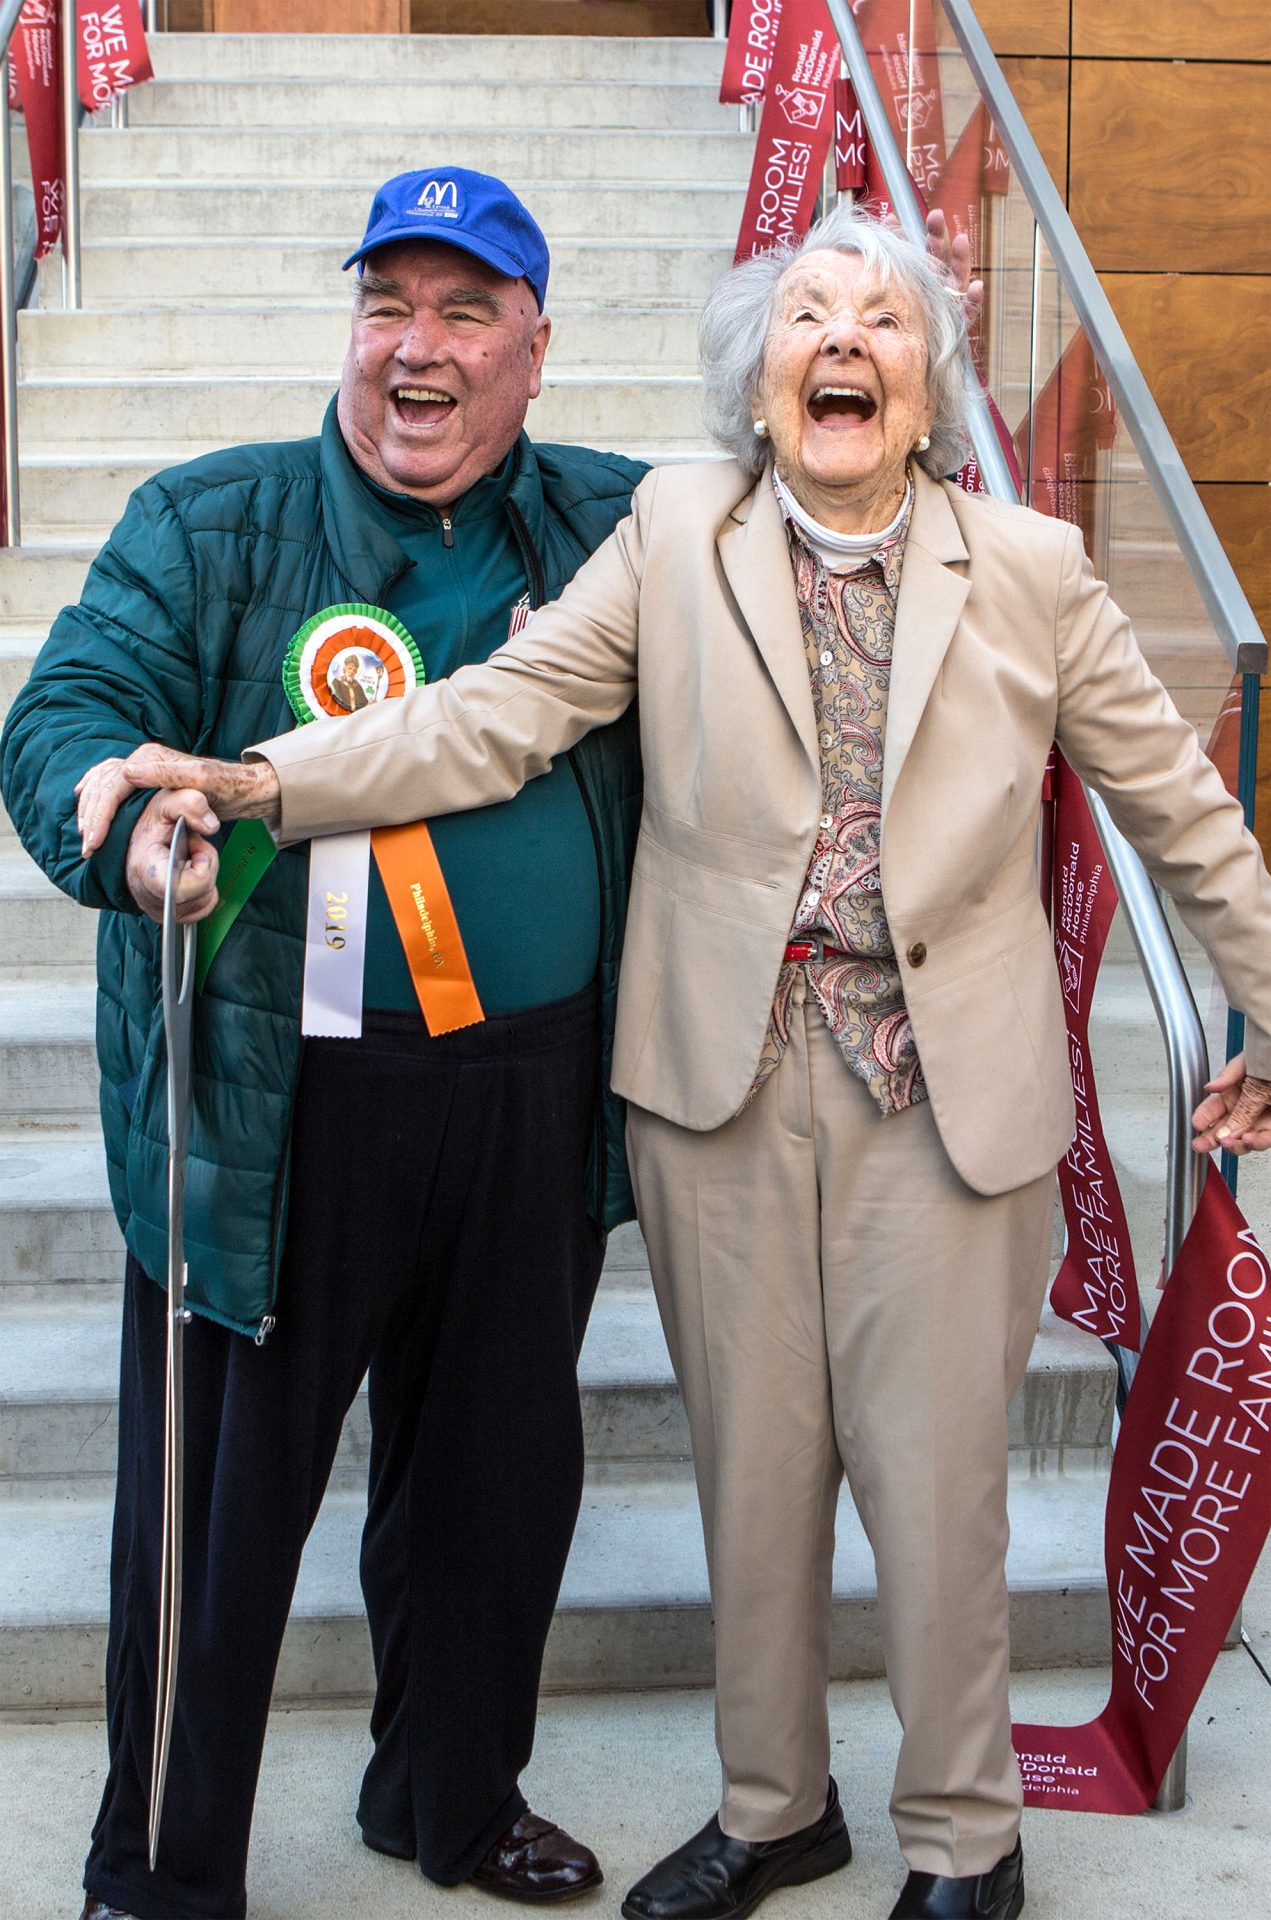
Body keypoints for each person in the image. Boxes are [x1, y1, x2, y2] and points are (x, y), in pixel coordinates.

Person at [79, 203, 1271, 1920]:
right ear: (759, 372)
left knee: (937, 1495)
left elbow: (1180, 807)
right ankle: (777, 1805)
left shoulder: (1031, 571)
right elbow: (491, 712)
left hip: (949, 1095)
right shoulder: (671, 529)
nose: (842, 340)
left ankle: (965, 1835)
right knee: (757, 1473)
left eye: (882, 320)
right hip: (717, 1090)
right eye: (806, 313)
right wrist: (261, 780)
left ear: (925, 388)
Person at [1, 167, 648, 1920]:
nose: (415, 352)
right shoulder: (211, 524)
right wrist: (118, 828)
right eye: (388, 308)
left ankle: (451, 1800)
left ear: (535, 350)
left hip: (531, 1092)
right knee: (211, 1526)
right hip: (278, 1105)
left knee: (494, 1492)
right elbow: (63, 712)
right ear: (348, 329)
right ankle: (160, 1861)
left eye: (463, 313)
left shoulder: (618, 530)